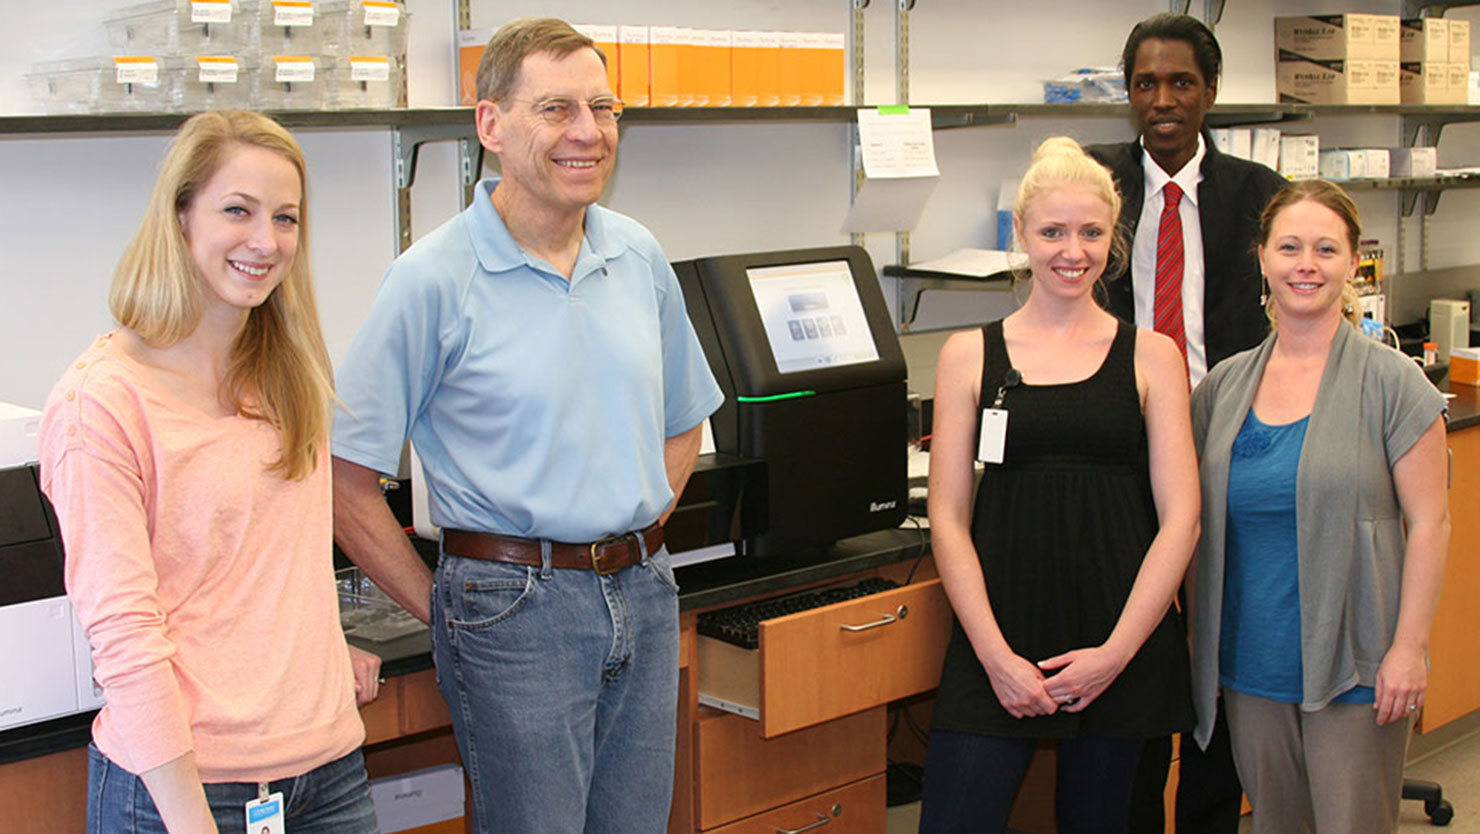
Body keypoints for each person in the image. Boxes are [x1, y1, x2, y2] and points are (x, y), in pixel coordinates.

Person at [330, 17, 724, 834]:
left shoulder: (637, 255)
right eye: (555, 109)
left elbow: (683, 424)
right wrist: (446, 608)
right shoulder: (431, 279)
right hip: (512, 610)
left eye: (603, 108)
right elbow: (341, 478)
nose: (588, 131)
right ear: (491, 125)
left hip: (644, 592)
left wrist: (629, 532)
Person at [38, 110, 382, 834]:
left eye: (285, 217)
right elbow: (125, 632)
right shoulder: (101, 401)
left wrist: (311, 657)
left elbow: (265, 561)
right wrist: (190, 820)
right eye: (237, 210)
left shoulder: (286, 374)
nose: (266, 241)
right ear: (180, 217)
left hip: (328, 771)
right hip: (183, 787)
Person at [918, 137, 1199, 834]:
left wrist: (1114, 657)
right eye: (1052, 232)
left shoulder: (1153, 356)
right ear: (1021, 233)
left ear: (1114, 235)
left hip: (1120, 642)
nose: (1073, 252)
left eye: (1091, 233)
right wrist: (995, 659)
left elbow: (1182, 520)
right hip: (1000, 636)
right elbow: (947, 517)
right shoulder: (969, 355)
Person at [1189, 179, 1449, 833]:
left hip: (1358, 665)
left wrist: (1410, 650)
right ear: (1262, 256)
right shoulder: (1223, 388)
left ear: (1353, 260)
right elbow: (1196, 528)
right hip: (1251, 665)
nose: (1306, 264)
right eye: (1290, 247)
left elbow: (1430, 523)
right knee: (1276, 823)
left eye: (1326, 249)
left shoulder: (1394, 384)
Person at [1087, 14, 1286, 831]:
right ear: (1129, 93)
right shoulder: (1097, 186)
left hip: (1229, 447)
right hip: (1123, 455)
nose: (1162, 100)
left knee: (1220, 650)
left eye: (1181, 83)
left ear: (1210, 92)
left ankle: (1208, 819)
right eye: (1146, 83)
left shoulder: (1258, 193)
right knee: (1133, 654)